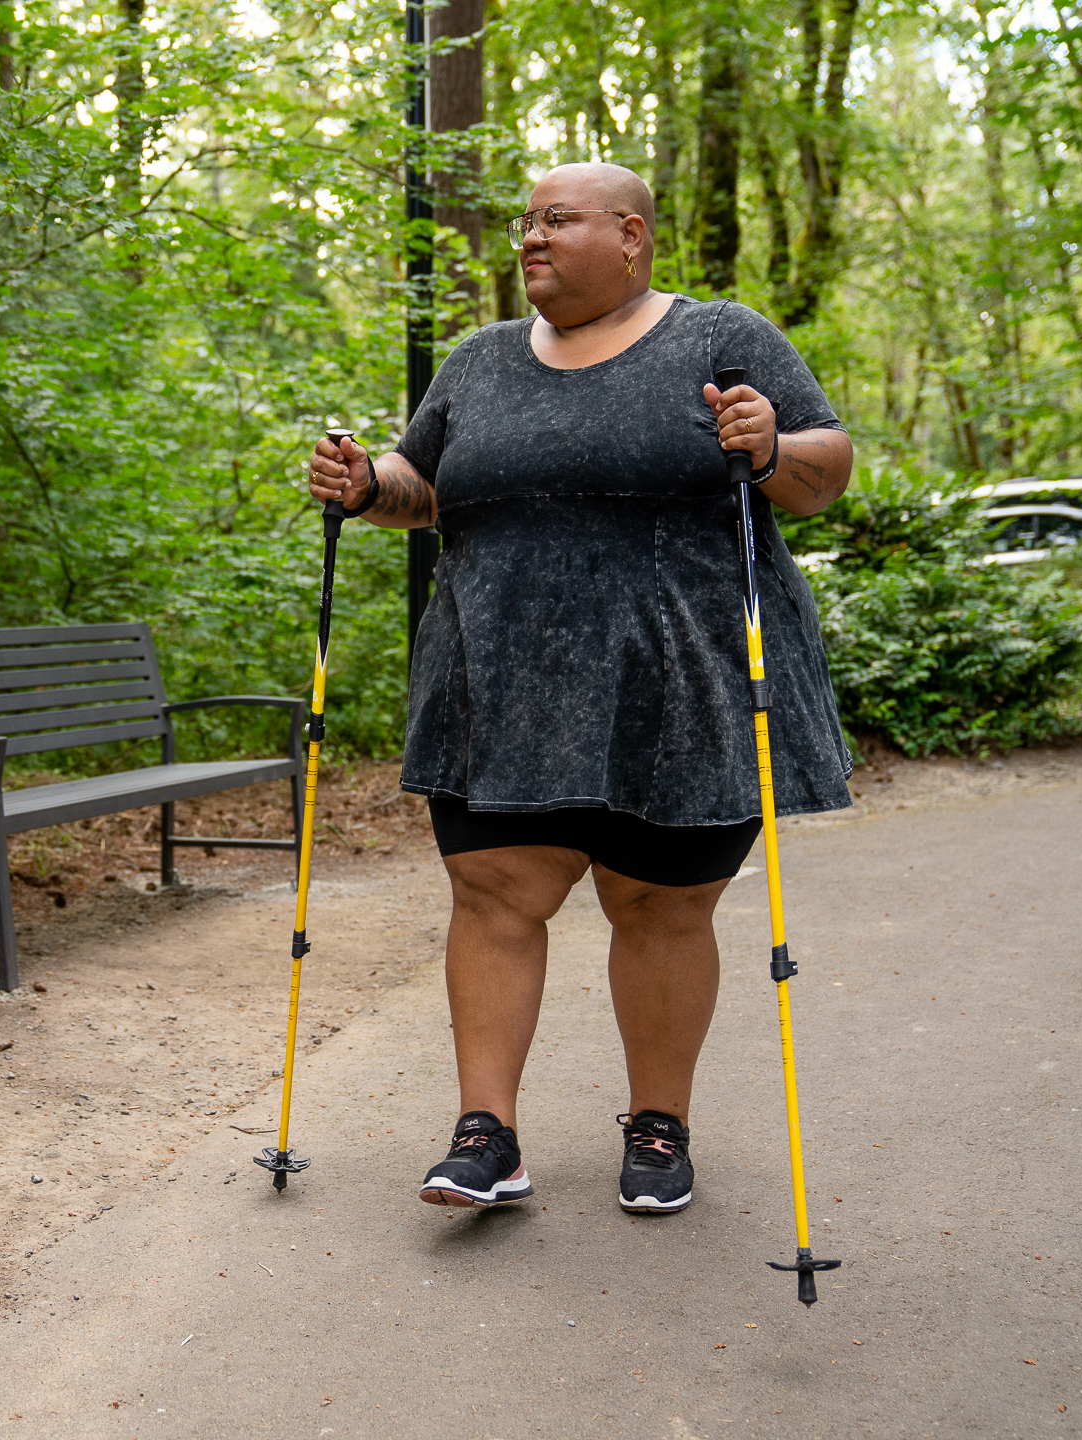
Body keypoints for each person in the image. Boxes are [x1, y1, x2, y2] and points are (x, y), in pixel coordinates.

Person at [306, 162, 854, 1216]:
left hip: (681, 687)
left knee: (655, 904)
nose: (531, 239)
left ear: (633, 236)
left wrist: (770, 445)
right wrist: (370, 482)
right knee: (495, 893)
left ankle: (659, 1127)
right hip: (498, 683)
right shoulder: (480, 360)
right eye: (525, 224)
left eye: (557, 220)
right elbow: (424, 487)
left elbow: (825, 471)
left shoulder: (718, 339)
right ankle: (486, 1135)